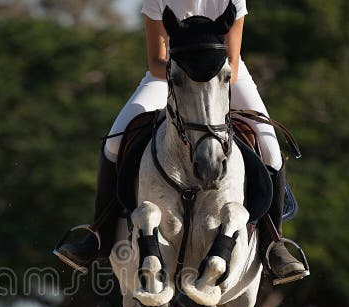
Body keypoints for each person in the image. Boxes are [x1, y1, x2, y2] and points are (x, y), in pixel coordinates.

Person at [53, 0, 309, 285]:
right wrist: (184, 78)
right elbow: (156, 61)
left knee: (271, 148)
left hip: (224, 76)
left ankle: (274, 244)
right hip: (171, 76)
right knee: (114, 141)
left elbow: (233, 63)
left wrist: (206, 87)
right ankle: (97, 235)